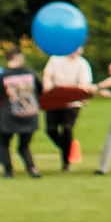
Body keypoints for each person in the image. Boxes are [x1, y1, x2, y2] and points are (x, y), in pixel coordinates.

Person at [42, 44, 94, 172]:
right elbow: (47, 76)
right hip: (55, 100)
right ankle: (66, 148)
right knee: (51, 130)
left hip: (72, 102)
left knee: (67, 128)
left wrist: (83, 94)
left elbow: (84, 83)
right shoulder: (55, 59)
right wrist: (48, 90)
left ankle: (66, 162)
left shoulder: (82, 64)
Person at [0, 48, 43, 179]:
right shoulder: (31, 74)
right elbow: (40, 90)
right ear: (17, 57)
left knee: (4, 143)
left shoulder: (4, 76)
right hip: (30, 114)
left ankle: (8, 171)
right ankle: (32, 169)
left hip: (9, 115)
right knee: (24, 145)